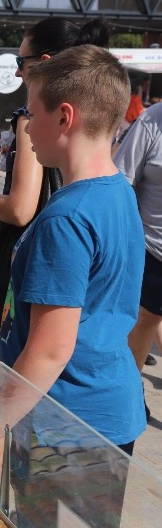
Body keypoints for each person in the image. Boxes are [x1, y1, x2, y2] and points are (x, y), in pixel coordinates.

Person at [0, 44, 145, 524]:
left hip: (64, 423)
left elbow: (49, 351)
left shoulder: (67, 217)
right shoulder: (118, 191)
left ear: (65, 117)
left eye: (30, 112)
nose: (25, 126)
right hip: (109, 409)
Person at [0, 16, 111, 362]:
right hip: (57, 259)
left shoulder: (32, 118)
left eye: (19, 62)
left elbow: (20, 209)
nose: (16, 72)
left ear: (43, 63)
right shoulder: (89, 120)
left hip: (19, 258)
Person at [114, 101, 162, 372]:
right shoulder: (152, 121)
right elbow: (121, 183)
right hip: (151, 251)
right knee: (145, 321)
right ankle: (132, 393)